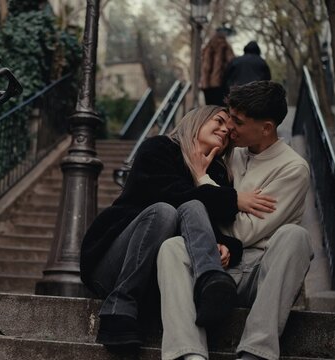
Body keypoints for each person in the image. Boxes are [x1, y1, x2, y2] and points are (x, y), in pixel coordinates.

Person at [80, 106, 276, 350]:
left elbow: (216, 228)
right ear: (196, 121)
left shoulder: (216, 174)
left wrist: (226, 246)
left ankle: (210, 281)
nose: (225, 129)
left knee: (192, 207)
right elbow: (170, 198)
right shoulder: (158, 149)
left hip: (158, 280)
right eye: (218, 120)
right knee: (165, 211)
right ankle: (118, 307)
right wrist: (231, 198)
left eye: (228, 129)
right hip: (113, 265)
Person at [157, 81, 313, 360]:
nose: (229, 127)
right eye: (229, 117)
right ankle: (189, 354)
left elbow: (244, 231)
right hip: (215, 263)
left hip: (259, 273)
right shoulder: (231, 151)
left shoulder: (293, 169)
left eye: (238, 122)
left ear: (266, 128)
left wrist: (203, 181)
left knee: (295, 236)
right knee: (173, 248)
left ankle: (255, 351)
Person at [200, 32, 235, 106]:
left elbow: (205, 65)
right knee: (219, 107)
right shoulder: (225, 46)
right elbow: (231, 62)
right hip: (219, 82)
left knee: (209, 108)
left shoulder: (207, 47)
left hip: (206, 83)